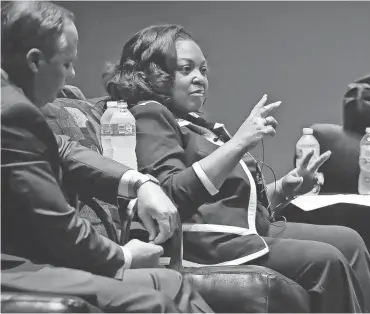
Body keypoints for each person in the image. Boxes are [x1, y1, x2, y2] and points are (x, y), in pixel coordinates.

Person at [103, 24, 370, 313]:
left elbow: (231, 206)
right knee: (327, 258)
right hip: (202, 246)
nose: (199, 79)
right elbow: (170, 193)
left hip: (247, 231)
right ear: (156, 73)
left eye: (203, 70)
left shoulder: (197, 126)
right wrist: (239, 142)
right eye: (186, 69)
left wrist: (286, 188)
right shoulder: (149, 115)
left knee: (350, 240)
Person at [1, 2, 212, 312]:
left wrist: (140, 183)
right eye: (66, 64)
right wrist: (123, 257)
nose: (72, 76)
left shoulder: (14, 108)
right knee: (153, 301)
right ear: (35, 61)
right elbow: (57, 223)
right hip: (10, 267)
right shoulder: (11, 112)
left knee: (171, 282)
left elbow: (62, 147)